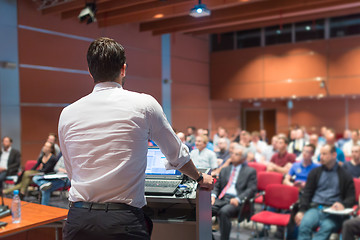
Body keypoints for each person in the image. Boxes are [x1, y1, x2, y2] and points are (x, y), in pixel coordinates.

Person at [58, 37, 214, 240]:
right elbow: (177, 155)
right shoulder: (144, 105)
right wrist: (200, 177)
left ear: (90, 71)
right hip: (123, 222)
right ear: (123, 69)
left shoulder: (68, 113)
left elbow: (72, 170)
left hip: (78, 219)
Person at [294, 144, 355, 240]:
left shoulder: (345, 174)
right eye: (320, 154)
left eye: (324, 154)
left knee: (327, 228)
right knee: (304, 225)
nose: (320, 157)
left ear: (334, 155)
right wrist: (302, 210)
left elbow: (351, 197)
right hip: (315, 208)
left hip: (334, 212)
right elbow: (307, 193)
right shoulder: (315, 172)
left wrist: (343, 204)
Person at [211, 144, 257, 240]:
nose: (232, 156)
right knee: (205, 210)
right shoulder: (224, 170)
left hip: (236, 201)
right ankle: (209, 237)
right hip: (222, 198)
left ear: (243, 159)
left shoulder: (250, 171)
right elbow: (217, 185)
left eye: (237, 154)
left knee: (224, 212)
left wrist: (238, 199)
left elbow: (251, 189)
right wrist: (213, 195)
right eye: (232, 153)